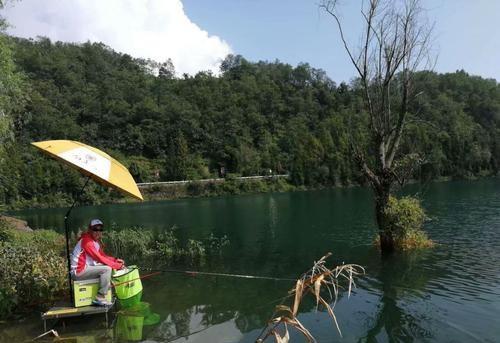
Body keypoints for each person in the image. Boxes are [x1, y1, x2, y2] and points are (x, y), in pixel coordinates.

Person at [70, 219, 125, 306]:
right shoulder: (87, 241)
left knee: (106, 267)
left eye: (100, 230)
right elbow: (99, 258)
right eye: (95, 229)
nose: (98, 232)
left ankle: (105, 290)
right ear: (90, 230)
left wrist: (115, 260)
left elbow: (103, 256)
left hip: (85, 269)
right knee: (106, 269)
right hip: (78, 272)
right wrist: (117, 266)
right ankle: (100, 297)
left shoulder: (95, 242)